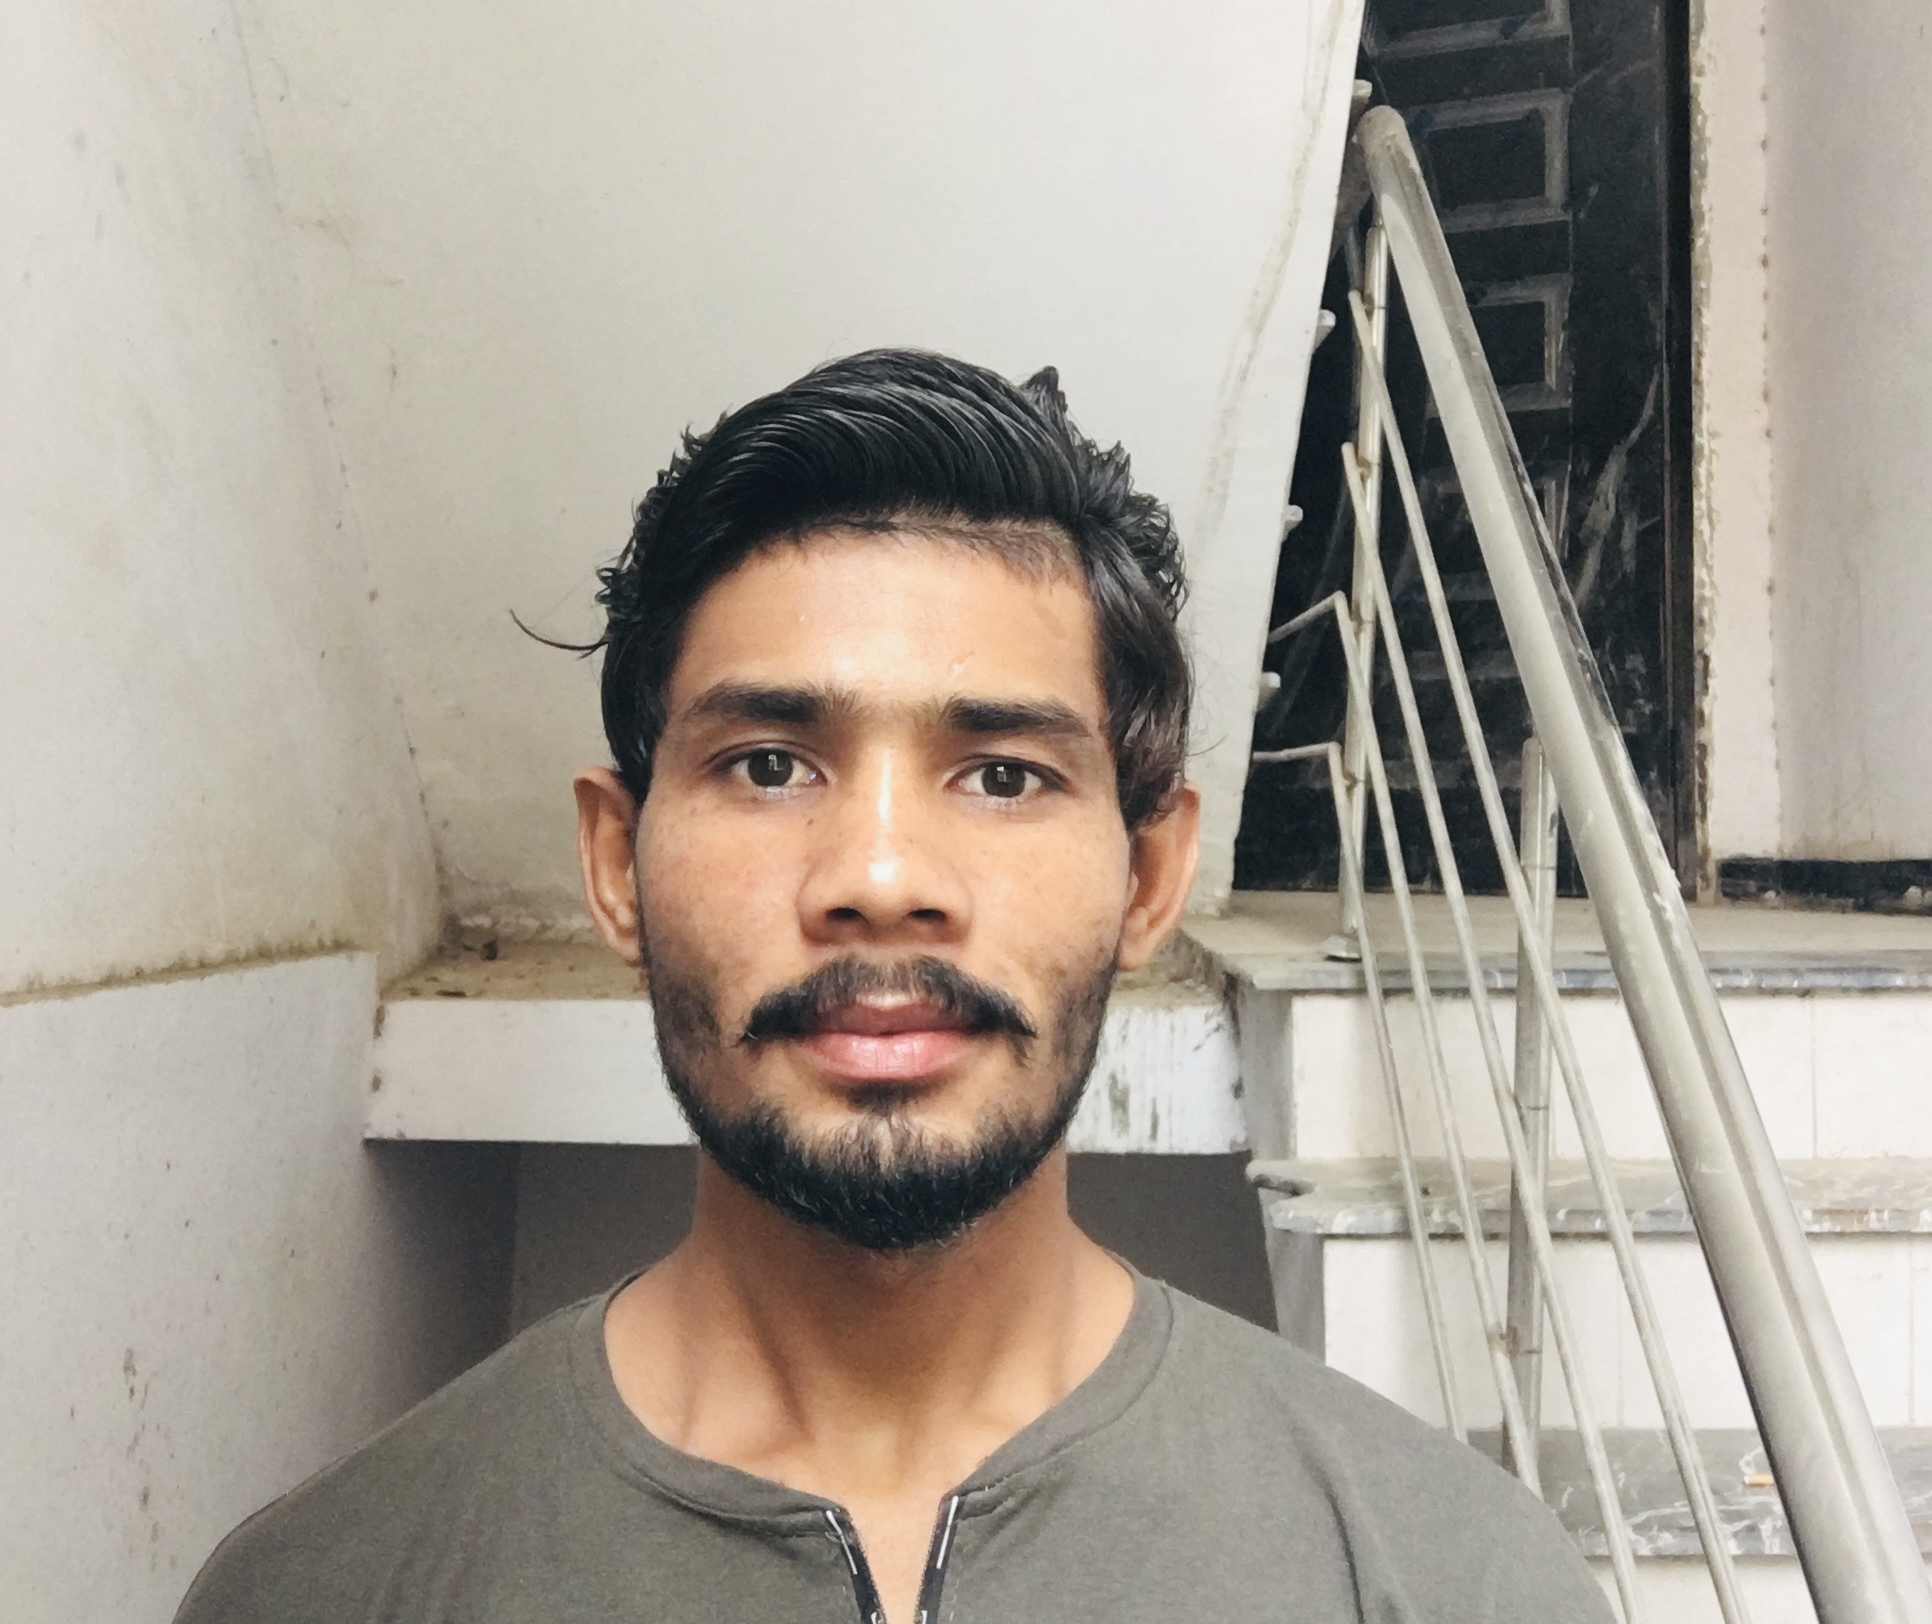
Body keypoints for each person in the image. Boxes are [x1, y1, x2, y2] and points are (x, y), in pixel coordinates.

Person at [174, 350, 1609, 1622]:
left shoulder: (1453, 1578)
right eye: (769, 765)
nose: (877, 876)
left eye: (1003, 775)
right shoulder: (325, 1590)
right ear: (616, 865)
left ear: (1148, 879)